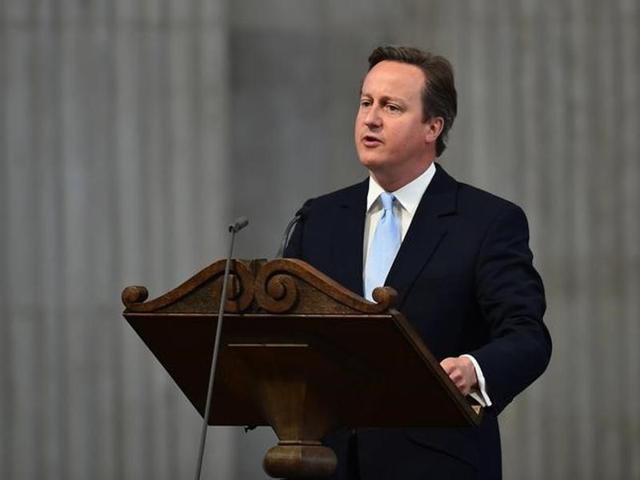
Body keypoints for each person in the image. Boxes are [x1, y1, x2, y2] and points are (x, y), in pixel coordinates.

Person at [284, 45, 551, 480]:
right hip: (325, 462)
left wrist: (473, 370)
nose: (370, 118)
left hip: (436, 464)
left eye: (391, 107)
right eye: (366, 102)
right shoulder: (318, 218)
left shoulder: (487, 222)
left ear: (433, 126)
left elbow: (528, 336)